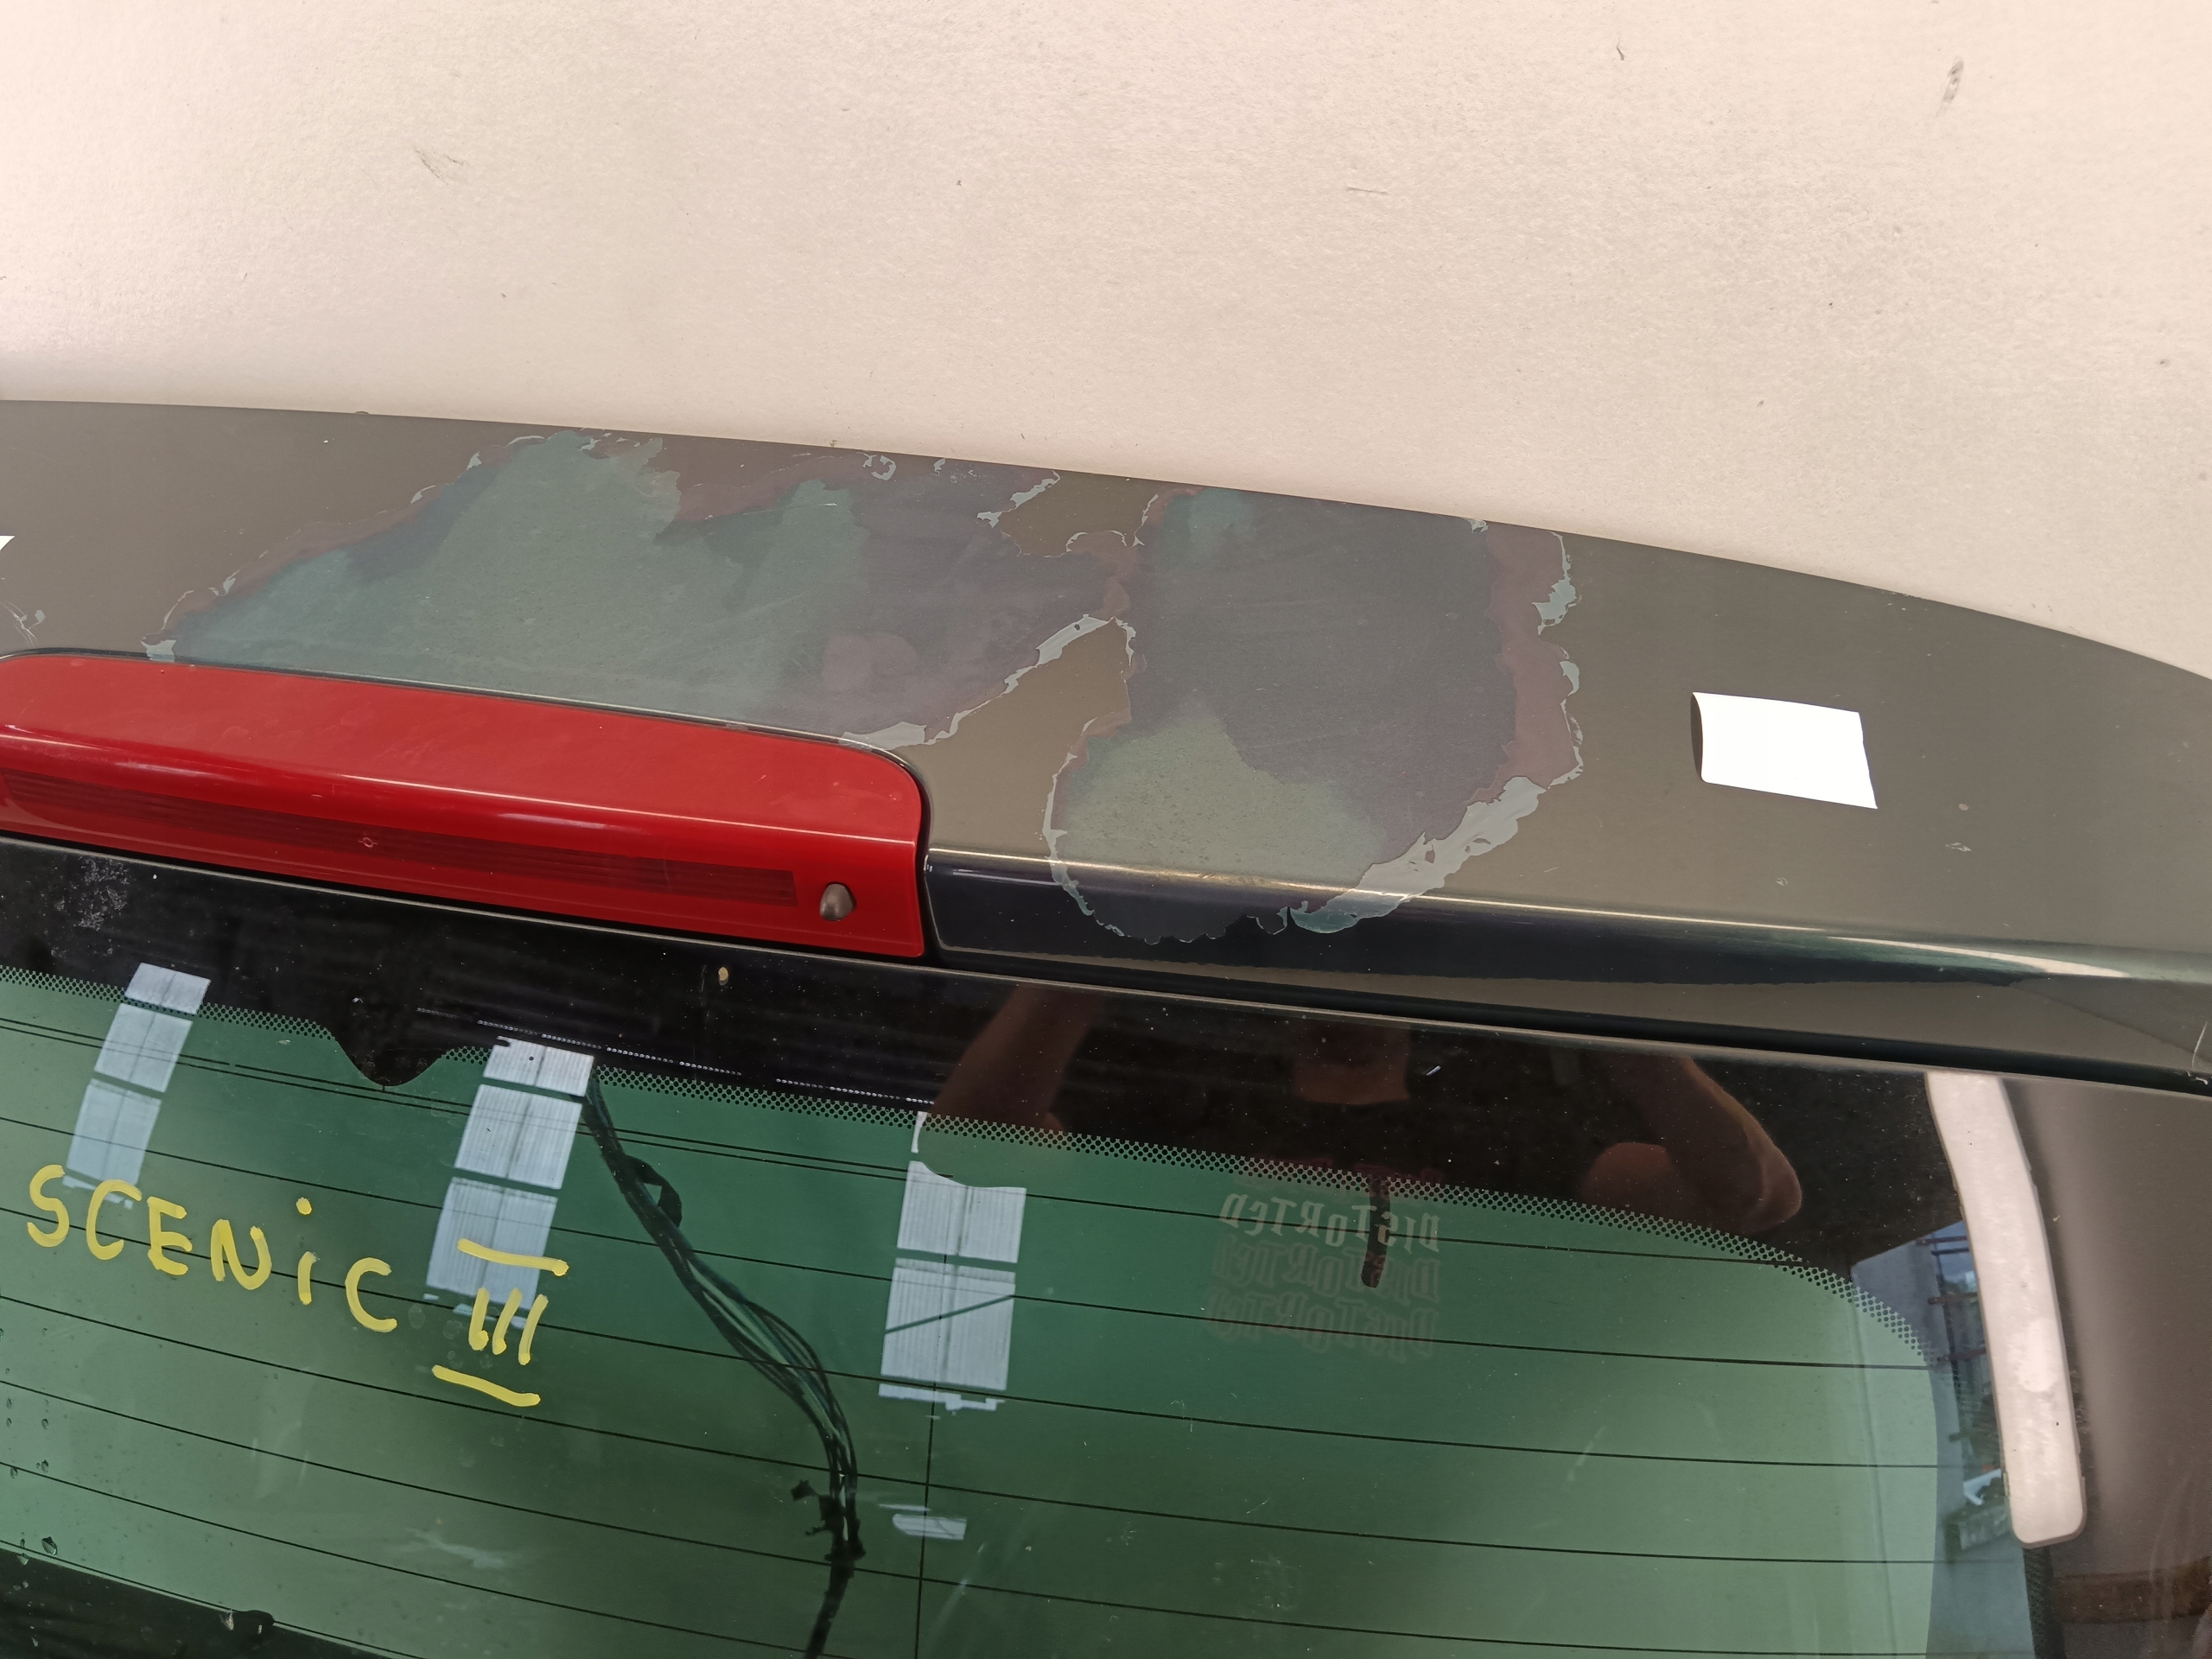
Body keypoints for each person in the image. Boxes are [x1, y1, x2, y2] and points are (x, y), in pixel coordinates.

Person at [931, 984, 1801, 1237]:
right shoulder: (1186, 1119)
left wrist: (1617, 1027)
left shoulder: (1503, 1147)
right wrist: (1083, 962)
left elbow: (1752, 1198)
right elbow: (969, 1151)